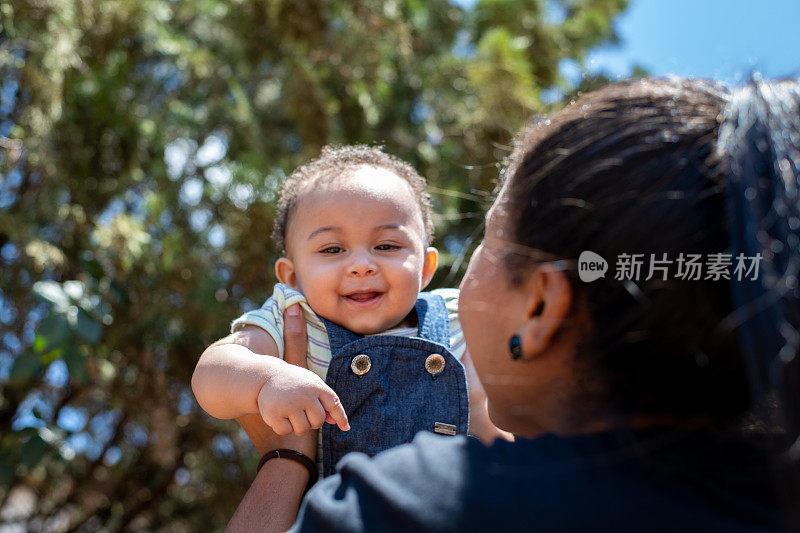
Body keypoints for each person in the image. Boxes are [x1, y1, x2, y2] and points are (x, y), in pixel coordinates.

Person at [225, 77, 800, 532]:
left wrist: (289, 458)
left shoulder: (415, 504)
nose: (362, 264)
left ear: (541, 306)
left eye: (486, 241)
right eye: (332, 247)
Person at [192, 145, 506, 477]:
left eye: (386, 246)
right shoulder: (293, 318)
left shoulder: (459, 313)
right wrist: (267, 380)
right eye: (332, 249)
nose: (361, 265)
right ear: (293, 278)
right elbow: (211, 373)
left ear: (426, 268)